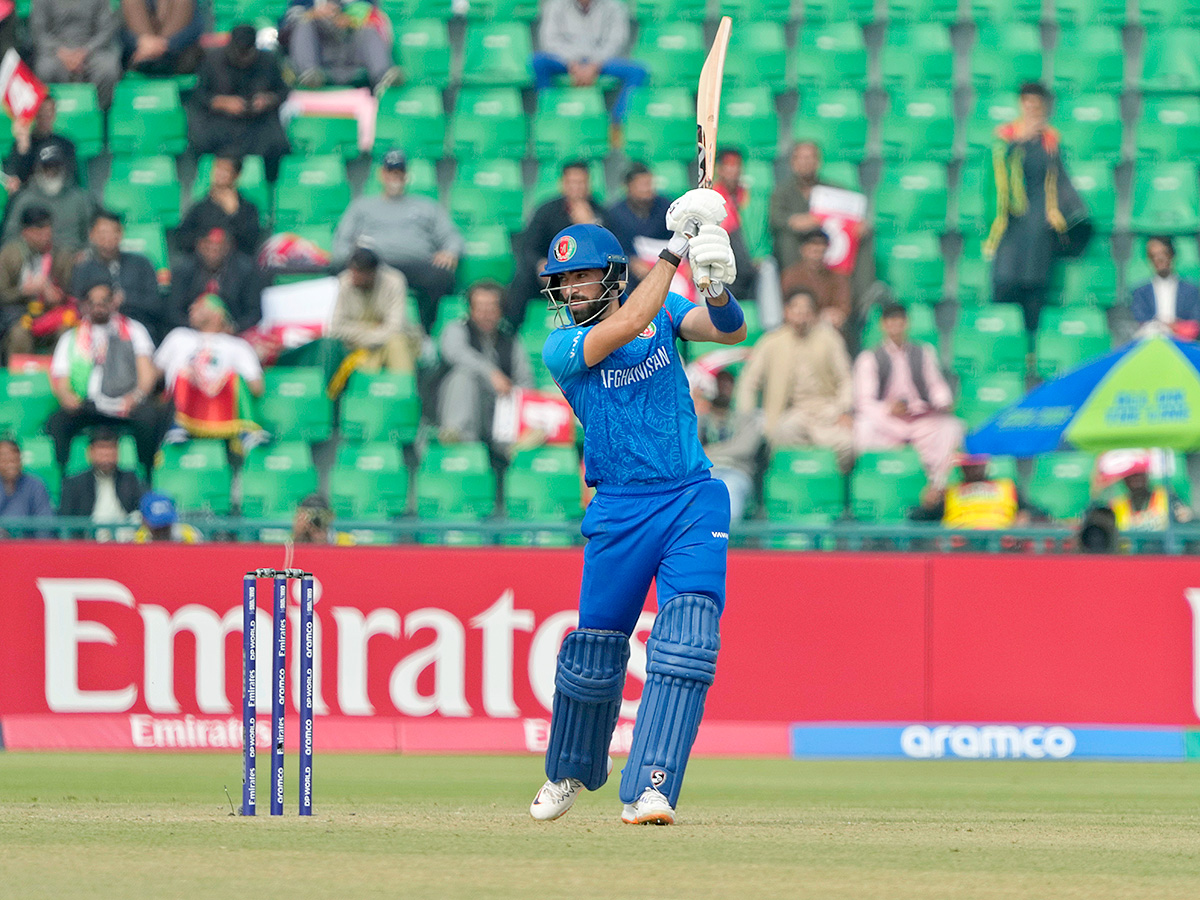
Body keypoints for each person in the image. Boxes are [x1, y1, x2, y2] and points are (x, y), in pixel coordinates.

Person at [528, 187, 745, 826]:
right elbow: (625, 325)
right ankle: (569, 768)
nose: (570, 291)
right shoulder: (560, 347)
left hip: (688, 497)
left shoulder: (664, 306)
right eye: (562, 282)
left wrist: (715, 286)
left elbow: (728, 329)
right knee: (595, 652)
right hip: (620, 509)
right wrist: (678, 248)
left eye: (582, 277)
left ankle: (652, 785)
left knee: (687, 642)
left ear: (613, 274)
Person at [46, 276, 172, 479]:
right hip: (87, 405)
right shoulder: (71, 336)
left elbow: (147, 372)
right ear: (85, 305)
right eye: (92, 302)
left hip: (125, 403)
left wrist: (137, 396)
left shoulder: (133, 329)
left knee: (149, 418)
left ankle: (147, 475)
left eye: (104, 301)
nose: (98, 307)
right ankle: (63, 478)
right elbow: (60, 377)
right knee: (58, 422)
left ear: (114, 301)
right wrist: (67, 397)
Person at [985, 81, 1084, 334]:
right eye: (1027, 104)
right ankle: (1005, 348)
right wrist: (1019, 142)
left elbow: (1060, 178)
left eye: (1037, 105)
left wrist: (1063, 212)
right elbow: (995, 176)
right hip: (1010, 225)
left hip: (1040, 223)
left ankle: (1031, 356)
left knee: (1035, 290)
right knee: (1005, 284)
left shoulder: (1050, 139)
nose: (1032, 110)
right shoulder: (1004, 137)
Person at [332, 149, 462, 333]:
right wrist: (351, 259)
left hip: (415, 265)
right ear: (381, 174)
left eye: (399, 173)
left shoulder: (426, 206)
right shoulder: (362, 206)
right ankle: (355, 327)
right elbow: (342, 240)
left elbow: (451, 235)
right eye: (390, 172)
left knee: (442, 275)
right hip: (372, 265)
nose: (395, 177)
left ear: (406, 176)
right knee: (339, 269)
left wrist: (450, 250)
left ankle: (426, 331)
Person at [735, 287, 853, 469]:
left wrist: (844, 409)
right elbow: (749, 382)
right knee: (783, 433)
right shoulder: (771, 342)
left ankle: (830, 488)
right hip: (792, 413)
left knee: (847, 444)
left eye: (806, 310)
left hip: (826, 411)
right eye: (795, 308)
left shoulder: (830, 339)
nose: (801, 314)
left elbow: (845, 378)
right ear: (786, 311)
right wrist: (748, 415)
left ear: (814, 313)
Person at [853, 304, 962, 490]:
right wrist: (888, 408)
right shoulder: (869, 358)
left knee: (952, 427)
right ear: (882, 325)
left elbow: (935, 385)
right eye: (890, 321)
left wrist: (943, 402)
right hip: (888, 421)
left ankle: (936, 486)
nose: (895, 325)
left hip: (920, 418)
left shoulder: (924, 352)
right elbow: (864, 401)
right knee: (863, 427)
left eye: (899, 321)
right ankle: (876, 482)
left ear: (907, 323)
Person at [154, 294, 266, 445]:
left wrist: (223, 378)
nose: (192, 308)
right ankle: (178, 425)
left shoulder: (238, 346)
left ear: (217, 314)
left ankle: (248, 433)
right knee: (184, 372)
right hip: (185, 402)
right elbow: (153, 373)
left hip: (223, 409)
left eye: (199, 305)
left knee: (235, 378)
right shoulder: (178, 337)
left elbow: (257, 387)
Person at [188, 24, 291, 181]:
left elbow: (283, 91)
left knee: (277, 144)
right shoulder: (213, 59)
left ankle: (270, 187)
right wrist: (221, 102)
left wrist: (267, 100)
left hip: (257, 122)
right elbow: (198, 95)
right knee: (199, 139)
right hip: (222, 121)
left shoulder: (267, 60)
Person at [508, 160, 603, 328]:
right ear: (563, 184)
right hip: (551, 274)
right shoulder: (546, 211)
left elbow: (605, 251)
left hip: (584, 276)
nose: (577, 188)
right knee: (521, 277)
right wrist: (539, 264)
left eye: (581, 183)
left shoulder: (600, 212)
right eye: (572, 183)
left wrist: (588, 224)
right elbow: (528, 247)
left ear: (589, 184)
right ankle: (511, 329)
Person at [437, 279, 533, 444]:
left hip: (496, 410)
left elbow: (525, 379)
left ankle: (514, 446)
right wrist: (491, 373)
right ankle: (458, 437)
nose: (485, 314)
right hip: (459, 404)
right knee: (464, 376)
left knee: (518, 395)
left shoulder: (511, 340)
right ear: (470, 309)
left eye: (491, 308)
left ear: (501, 310)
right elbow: (455, 353)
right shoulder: (456, 329)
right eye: (479, 308)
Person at [532, 0, 646, 132]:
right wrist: (572, 64)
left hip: (602, 62)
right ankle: (550, 114)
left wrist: (594, 65)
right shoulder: (555, 5)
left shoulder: (615, 6)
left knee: (638, 72)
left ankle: (616, 124)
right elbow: (549, 41)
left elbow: (617, 41)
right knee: (538, 62)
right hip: (566, 61)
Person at [72, 210, 165, 342]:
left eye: (113, 232)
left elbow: (155, 303)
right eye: (103, 232)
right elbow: (77, 306)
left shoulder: (142, 263)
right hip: (95, 330)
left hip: (136, 329)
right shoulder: (83, 269)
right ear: (92, 235)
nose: (108, 237)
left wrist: (126, 299)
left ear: (121, 233)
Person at [0, 206, 76, 359]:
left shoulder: (62, 256)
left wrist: (57, 295)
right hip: (18, 315)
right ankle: (21, 380)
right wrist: (24, 291)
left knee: (68, 331)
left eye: (48, 231)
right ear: (25, 233)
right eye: (39, 232)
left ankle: (57, 378)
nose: (45, 237)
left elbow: (71, 293)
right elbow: (2, 294)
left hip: (51, 313)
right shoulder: (10, 255)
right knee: (19, 334)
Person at [331, 248, 422, 373]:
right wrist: (370, 328)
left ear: (372, 273)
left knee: (396, 342)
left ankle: (403, 390)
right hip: (356, 346)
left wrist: (359, 333)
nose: (354, 277)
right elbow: (335, 328)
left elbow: (395, 328)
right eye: (353, 271)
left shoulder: (394, 281)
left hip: (393, 341)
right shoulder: (343, 283)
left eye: (360, 273)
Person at [281, 0, 401, 92]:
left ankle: (383, 76)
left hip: (349, 45)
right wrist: (312, 14)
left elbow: (377, 17)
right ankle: (308, 73)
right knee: (303, 25)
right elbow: (285, 25)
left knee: (369, 30)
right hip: (319, 49)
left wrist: (350, 20)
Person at [910, 453, 1044, 529]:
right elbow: (917, 520)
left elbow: (1039, 511)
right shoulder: (950, 491)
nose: (972, 470)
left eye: (976, 466)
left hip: (1001, 542)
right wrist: (927, 507)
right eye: (967, 467)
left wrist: (1025, 515)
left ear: (984, 465)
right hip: (962, 545)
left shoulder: (1006, 487)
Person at [168, 227, 264, 333]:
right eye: (208, 245)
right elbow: (173, 312)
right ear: (199, 245)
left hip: (234, 333)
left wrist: (233, 328)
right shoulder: (183, 270)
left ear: (228, 246)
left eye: (219, 247)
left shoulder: (246, 270)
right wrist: (199, 327)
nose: (213, 251)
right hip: (191, 332)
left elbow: (254, 313)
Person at [30, 0, 122, 109]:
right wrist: (61, 52)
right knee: (46, 69)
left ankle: (101, 116)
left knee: (107, 69)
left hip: (93, 51)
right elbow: (39, 32)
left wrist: (85, 51)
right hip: (55, 52)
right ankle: (50, 118)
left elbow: (105, 30)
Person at [696, 369, 761, 522]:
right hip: (706, 472)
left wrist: (709, 452)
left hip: (736, 471)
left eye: (728, 384)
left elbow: (745, 448)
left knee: (730, 493)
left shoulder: (746, 419)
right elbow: (692, 449)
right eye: (719, 383)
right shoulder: (701, 420)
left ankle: (731, 544)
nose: (724, 388)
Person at [4, 144, 95, 252]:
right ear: (38, 170)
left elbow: (92, 234)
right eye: (47, 168)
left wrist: (84, 254)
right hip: (32, 259)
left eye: (55, 168)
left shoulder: (79, 198)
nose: (51, 172)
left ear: (64, 169)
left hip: (71, 258)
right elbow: (9, 236)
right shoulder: (24, 199)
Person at [175, 154, 263, 256]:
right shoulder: (200, 207)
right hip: (203, 263)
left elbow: (250, 243)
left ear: (236, 175)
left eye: (225, 170)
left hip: (234, 263)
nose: (219, 174)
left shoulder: (248, 208)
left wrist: (233, 213)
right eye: (217, 169)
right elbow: (182, 239)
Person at [604, 162, 671, 290]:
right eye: (641, 185)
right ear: (628, 186)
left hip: (662, 263)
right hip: (629, 271)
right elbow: (613, 246)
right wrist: (631, 261)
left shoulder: (665, 207)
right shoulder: (615, 213)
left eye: (649, 184)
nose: (647, 189)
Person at [58, 428, 144, 521]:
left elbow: (141, 510)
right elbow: (66, 520)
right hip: (88, 534)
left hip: (125, 533)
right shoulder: (74, 483)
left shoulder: (130, 479)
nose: (106, 455)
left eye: (111, 448)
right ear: (91, 452)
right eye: (101, 449)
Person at [769, 141, 826, 271]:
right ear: (792, 162)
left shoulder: (830, 190)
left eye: (809, 158)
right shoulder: (782, 191)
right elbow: (775, 218)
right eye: (801, 158)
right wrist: (793, 221)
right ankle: (793, 282)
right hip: (795, 242)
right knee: (786, 238)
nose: (805, 162)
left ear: (818, 162)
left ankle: (865, 290)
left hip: (823, 237)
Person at [779, 227, 852, 330]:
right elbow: (783, 308)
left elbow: (842, 309)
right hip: (794, 329)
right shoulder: (789, 276)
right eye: (812, 248)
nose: (816, 253)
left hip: (826, 330)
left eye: (820, 249)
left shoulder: (837, 279)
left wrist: (830, 316)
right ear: (802, 249)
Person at [3, 96, 80, 192]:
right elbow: (13, 177)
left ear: (54, 114)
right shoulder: (22, 145)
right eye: (41, 112)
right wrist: (23, 150)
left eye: (48, 112)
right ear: (35, 114)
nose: (45, 117)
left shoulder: (66, 144)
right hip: (31, 197)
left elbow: (72, 178)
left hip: (60, 197)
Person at [1130, 235, 1200, 339]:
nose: (1159, 259)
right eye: (1153, 255)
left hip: (1183, 343)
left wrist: (1175, 327)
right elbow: (1140, 321)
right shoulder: (1140, 292)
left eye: (1163, 254)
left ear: (1172, 255)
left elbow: (1195, 323)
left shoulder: (1191, 290)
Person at [711, 147, 757, 299]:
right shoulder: (712, 196)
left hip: (749, 260)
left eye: (737, 166)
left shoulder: (750, 196)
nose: (734, 170)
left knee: (769, 267)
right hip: (722, 258)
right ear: (719, 169)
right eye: (729, 166)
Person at [121, 0, 204, 76]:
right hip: (138, 56)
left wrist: (166, 44)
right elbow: (120, 31)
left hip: (176, 55)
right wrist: (140, 42)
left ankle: (155, 55)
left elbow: (196, 28)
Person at [0, 436, 54, 533]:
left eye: (14, 460)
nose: (11, 465)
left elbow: (45, 524)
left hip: (26, 544)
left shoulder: (36, 485)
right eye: (5, 460)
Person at [133, 491, 203, 542]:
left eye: (166, 524)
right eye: (157, 526)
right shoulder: (139, 540)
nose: (162, 529)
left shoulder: (188, 536)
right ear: (144, 520)